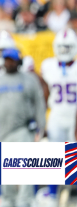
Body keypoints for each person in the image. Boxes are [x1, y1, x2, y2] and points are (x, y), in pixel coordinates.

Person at [0, 48, 46, 207]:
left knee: (25, 168)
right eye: (6, 59)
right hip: (2, 131)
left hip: (23, 130)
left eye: (12, 59)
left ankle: (24, 201)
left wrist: (42, 127)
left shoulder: (29, 79)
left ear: (19, 61)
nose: (9, 62)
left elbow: (39, 105)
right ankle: (9, 200)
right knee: (6, 169)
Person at [41, 28, 77, 206]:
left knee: (72, 157)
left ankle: (69, 193)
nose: (63, 51)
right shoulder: (48, 66)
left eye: (67, 47)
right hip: (55, 115)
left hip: (74, 116)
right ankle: (53, 193)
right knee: (54, 156)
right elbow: (44, 93)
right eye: (61, 47)